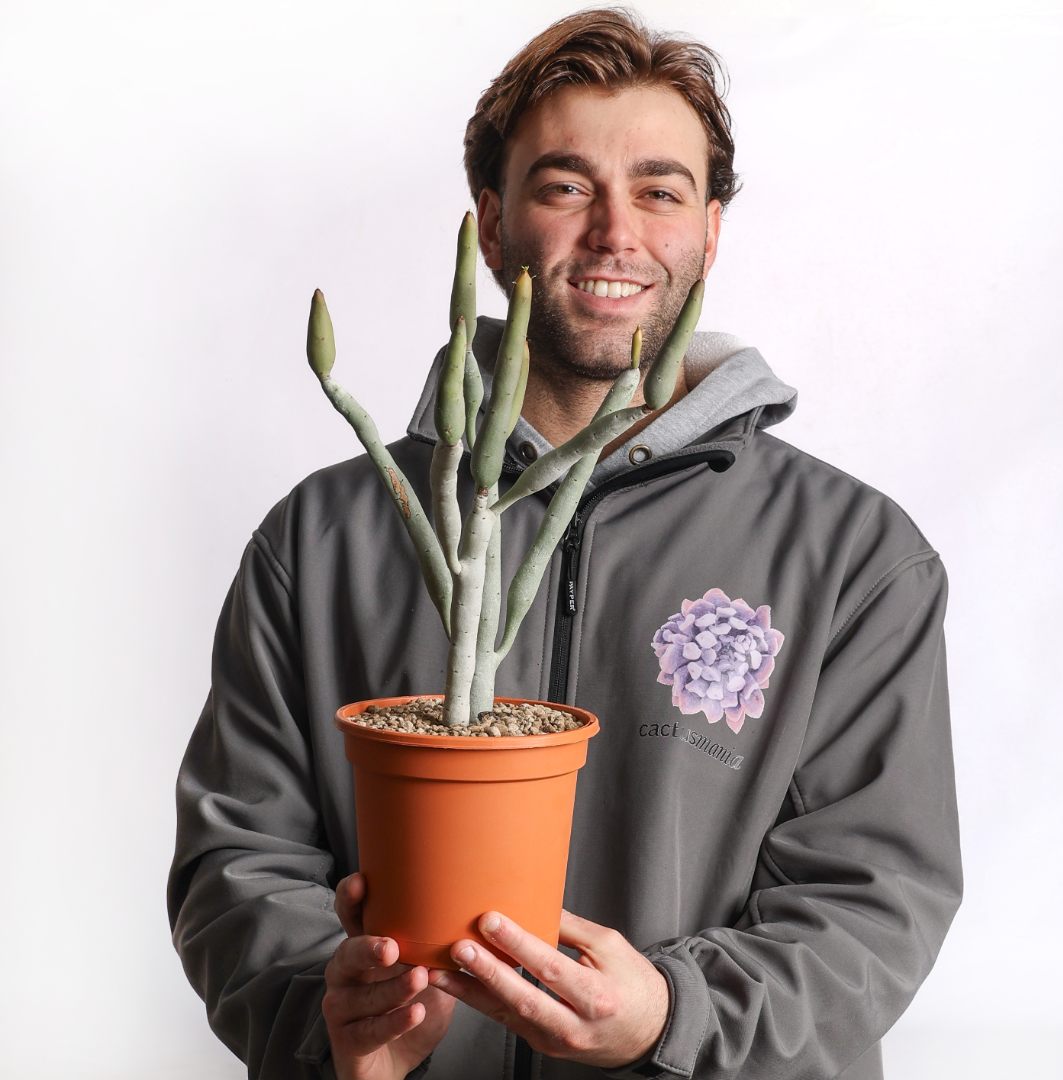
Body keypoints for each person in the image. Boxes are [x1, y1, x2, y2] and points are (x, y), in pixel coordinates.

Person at [168, 9, 962, 1080]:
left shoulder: (855, 556)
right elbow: (236, 860)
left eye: (660, 191)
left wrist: (670, 1016)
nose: (615, 232)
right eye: (565, 186)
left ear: (711, 231)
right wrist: (330, 1015)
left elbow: (874, 901)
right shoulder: (319, 540)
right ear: (493, 228)